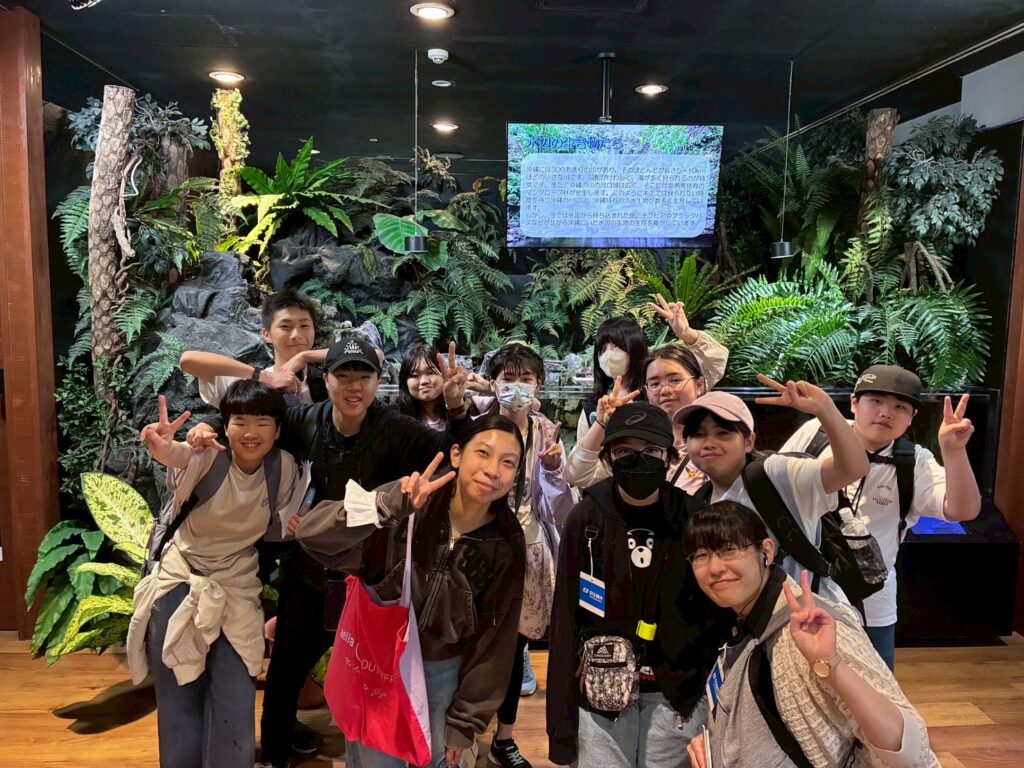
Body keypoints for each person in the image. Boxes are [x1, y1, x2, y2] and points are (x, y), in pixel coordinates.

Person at [188, 336, 471, 768]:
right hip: (310, 573)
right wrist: (209, 425)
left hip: (370, 580)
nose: (354, 387)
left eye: (364, 377)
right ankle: (275, 756)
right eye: (344, 375)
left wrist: (456, 408)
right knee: (285, 670)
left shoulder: (394, 429)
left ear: (378, 382)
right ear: (327, 380)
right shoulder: (306, 420)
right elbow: (254, 417)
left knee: (371, 671)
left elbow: (454, 452)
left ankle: (371, 752)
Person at [295, 415, 528, 768]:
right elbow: (311, 534)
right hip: (378, 661)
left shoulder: (506, 541)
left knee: (432, 760)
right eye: (483, 453)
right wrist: (386, 506)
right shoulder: (410, 500)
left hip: (443, 673)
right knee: (375, 763)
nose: (493, 470)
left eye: (508, 462)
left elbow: (495, 642)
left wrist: (465, 722)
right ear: (456, 454)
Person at [126, 382, 305, 768]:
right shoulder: (208, 455)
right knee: (179, 695)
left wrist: (297, 526)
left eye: (263, 422)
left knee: (236, 693)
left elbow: (280, 527)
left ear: (277, 430)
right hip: (181, 578)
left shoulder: (283, 468)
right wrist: (161, 447)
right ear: (225, 426)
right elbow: (178, 455)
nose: (251, 432)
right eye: (240, 421)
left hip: (237, 585)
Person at [683, 502, 940, 768]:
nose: (715, 567)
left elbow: (910, 750)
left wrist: (832, 663)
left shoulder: (810, 627)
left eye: (729, 549)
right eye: (701, 555)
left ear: (766, 551)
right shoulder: (750, 626)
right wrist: (718, 741)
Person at [547, 402, 730, 768]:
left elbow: (716, 612)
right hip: (601, 691)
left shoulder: (694, 519)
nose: (638, 460)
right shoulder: (588, 518)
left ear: (669, 457)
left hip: (675, 695)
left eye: (650, 451)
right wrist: (561, 731)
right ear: (608, 458)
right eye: (624, 451)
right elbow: (565, 618)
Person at [779, 365, 981, 668]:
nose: (886, 413)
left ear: (912, 417)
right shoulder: (816, 435)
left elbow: (962, 510)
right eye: (875, 401)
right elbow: (775, 485)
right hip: (800, 589)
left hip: (871, 601)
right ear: (853, 403)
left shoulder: (913, 461)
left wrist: (953, 452)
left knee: (876, 683)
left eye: (900, 407)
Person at [676, 381, 870, 604]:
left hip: (810, 614)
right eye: (698, 435)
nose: (709, 443)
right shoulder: (702, 499)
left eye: (723, 433)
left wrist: (824, 407)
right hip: (751, 619)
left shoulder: (773, 473)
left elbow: (853, 468)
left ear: (749, 442)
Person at [480, 343, 577, 768]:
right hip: (480, 550)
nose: (516, 387)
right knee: (472, 645)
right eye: (508, 378)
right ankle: (461, 735)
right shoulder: (479, 427)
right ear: (493, 383)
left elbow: (560, 510)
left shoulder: (545, 434)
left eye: (526, 379)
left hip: (528, 553)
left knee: (513, 649)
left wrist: (554, 471)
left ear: (539, 384)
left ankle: (503, 738)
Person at [567, 344, 711, 493]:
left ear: (699, 385)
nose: (665, 390)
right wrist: (601, 423)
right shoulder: (637, 440)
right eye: (655, 384)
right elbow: (577, 476)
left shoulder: (715, 438)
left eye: (674, 380)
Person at [180, 289, 327, 406]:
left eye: (304, 326)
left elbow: (343, 350)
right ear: (267, 334)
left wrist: (305, 356)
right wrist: (266, 378)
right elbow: (188, 361)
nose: (297, 334)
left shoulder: (330, 379)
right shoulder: (248, 383)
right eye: (285, 326)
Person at [398, 343, 478, 430]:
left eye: (431, 373)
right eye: (414, 375)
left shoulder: (474, 404)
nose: (424, 381)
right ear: (405, 381)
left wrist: (488, 388)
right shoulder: (397, 420)